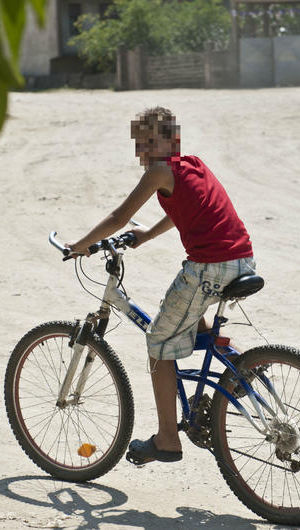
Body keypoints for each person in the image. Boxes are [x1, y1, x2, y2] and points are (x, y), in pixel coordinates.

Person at [69, 106, 255, 465]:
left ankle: (167, 438)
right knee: (182, 308)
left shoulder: (159, 171)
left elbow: (119, 216)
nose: (145, 152)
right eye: (140, 145)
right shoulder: (194, 165)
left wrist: (81, 244)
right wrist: (147, 235)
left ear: (173, 141)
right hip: (241, 259)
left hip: (209, 268)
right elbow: (185, 209)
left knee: (157, 339)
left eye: (151, 143)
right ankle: (240, 366)